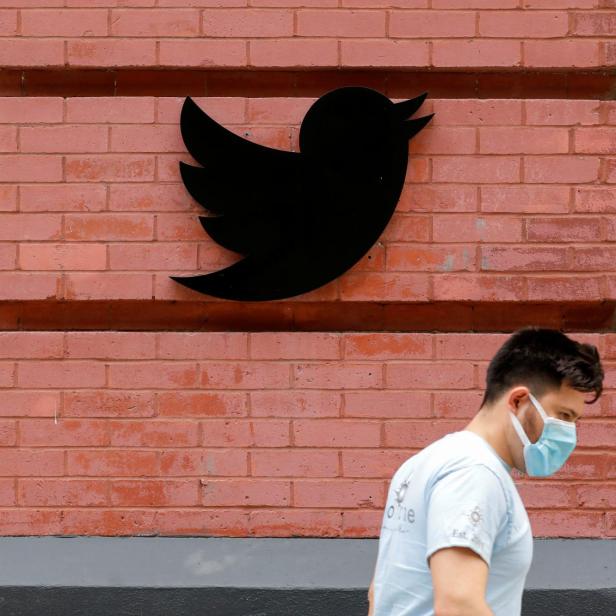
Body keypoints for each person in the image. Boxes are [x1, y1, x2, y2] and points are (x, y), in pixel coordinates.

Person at [367, 326, 604, 616]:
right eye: (564, 415)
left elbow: (379, 593)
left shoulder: (422, 464)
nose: (569, 433)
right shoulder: (475, 472)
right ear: (518, 401)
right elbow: (458, 605)